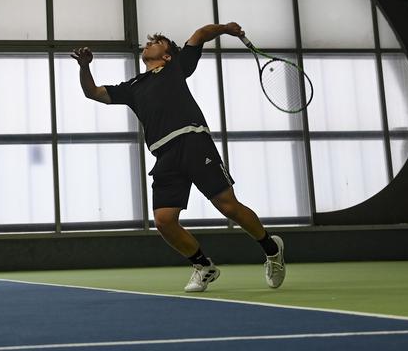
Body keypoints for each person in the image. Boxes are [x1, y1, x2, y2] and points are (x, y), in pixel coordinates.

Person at [71, 22, 285, 292]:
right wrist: (84, 66)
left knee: (228, 206)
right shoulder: (133, 86)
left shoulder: (176, 67)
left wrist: (226, 28)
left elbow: (200, 35)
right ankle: (203, 265)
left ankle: (271, 249)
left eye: (156, 42)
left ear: (168, 55)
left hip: (194, 142)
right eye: (148, 42)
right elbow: (93, 92)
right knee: (163, 220)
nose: (148, 43)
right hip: (164, 154)